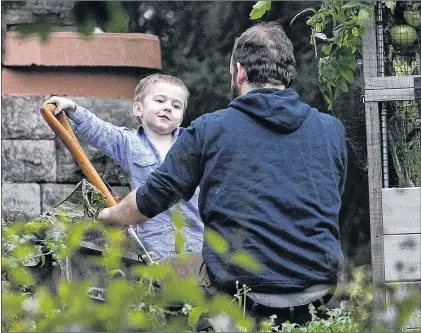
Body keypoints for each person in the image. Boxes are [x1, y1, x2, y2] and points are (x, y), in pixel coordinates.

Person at [97, 22, 348, 326]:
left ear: (240, 71)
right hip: (319, 288)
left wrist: (109, 215)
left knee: (153, 278)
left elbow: (150, 200)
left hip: (245, 291)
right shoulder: (330, 130)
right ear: (287, 72)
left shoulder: (209, 129)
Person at [43, 74, 204, 259]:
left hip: (196, 242)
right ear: (138, 108)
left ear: (182, 116)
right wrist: (73, 108)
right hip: (154, 245)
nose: (168, 107)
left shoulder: (194, 144)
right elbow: (100, 131)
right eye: (160, 101)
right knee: (160, 285)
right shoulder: (128, 143)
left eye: (176, 106)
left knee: (198, 284)